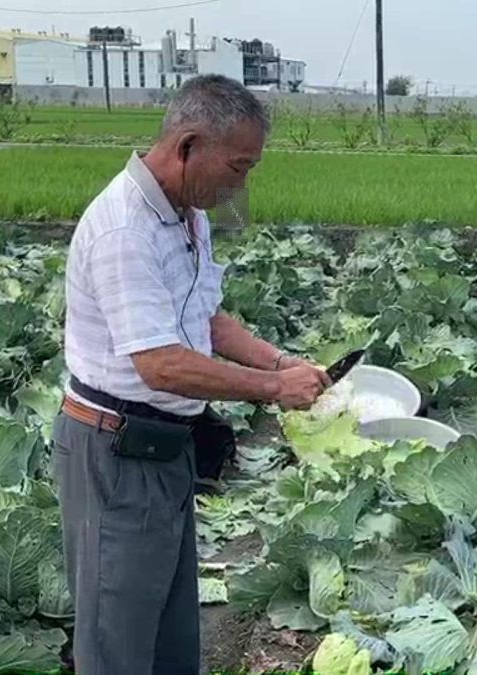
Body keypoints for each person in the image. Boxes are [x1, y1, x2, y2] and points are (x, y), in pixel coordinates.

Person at [52, 75, 329, 674]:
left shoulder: (186, 215)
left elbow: (206, 319)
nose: (242, 182)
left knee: (172, 635)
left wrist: (281, 361)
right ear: (188, 146)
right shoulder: (126, 229)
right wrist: (275, 390)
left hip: (163, 453)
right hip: (113, 456)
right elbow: (160, 363)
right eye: (238, 165)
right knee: (117, 643)